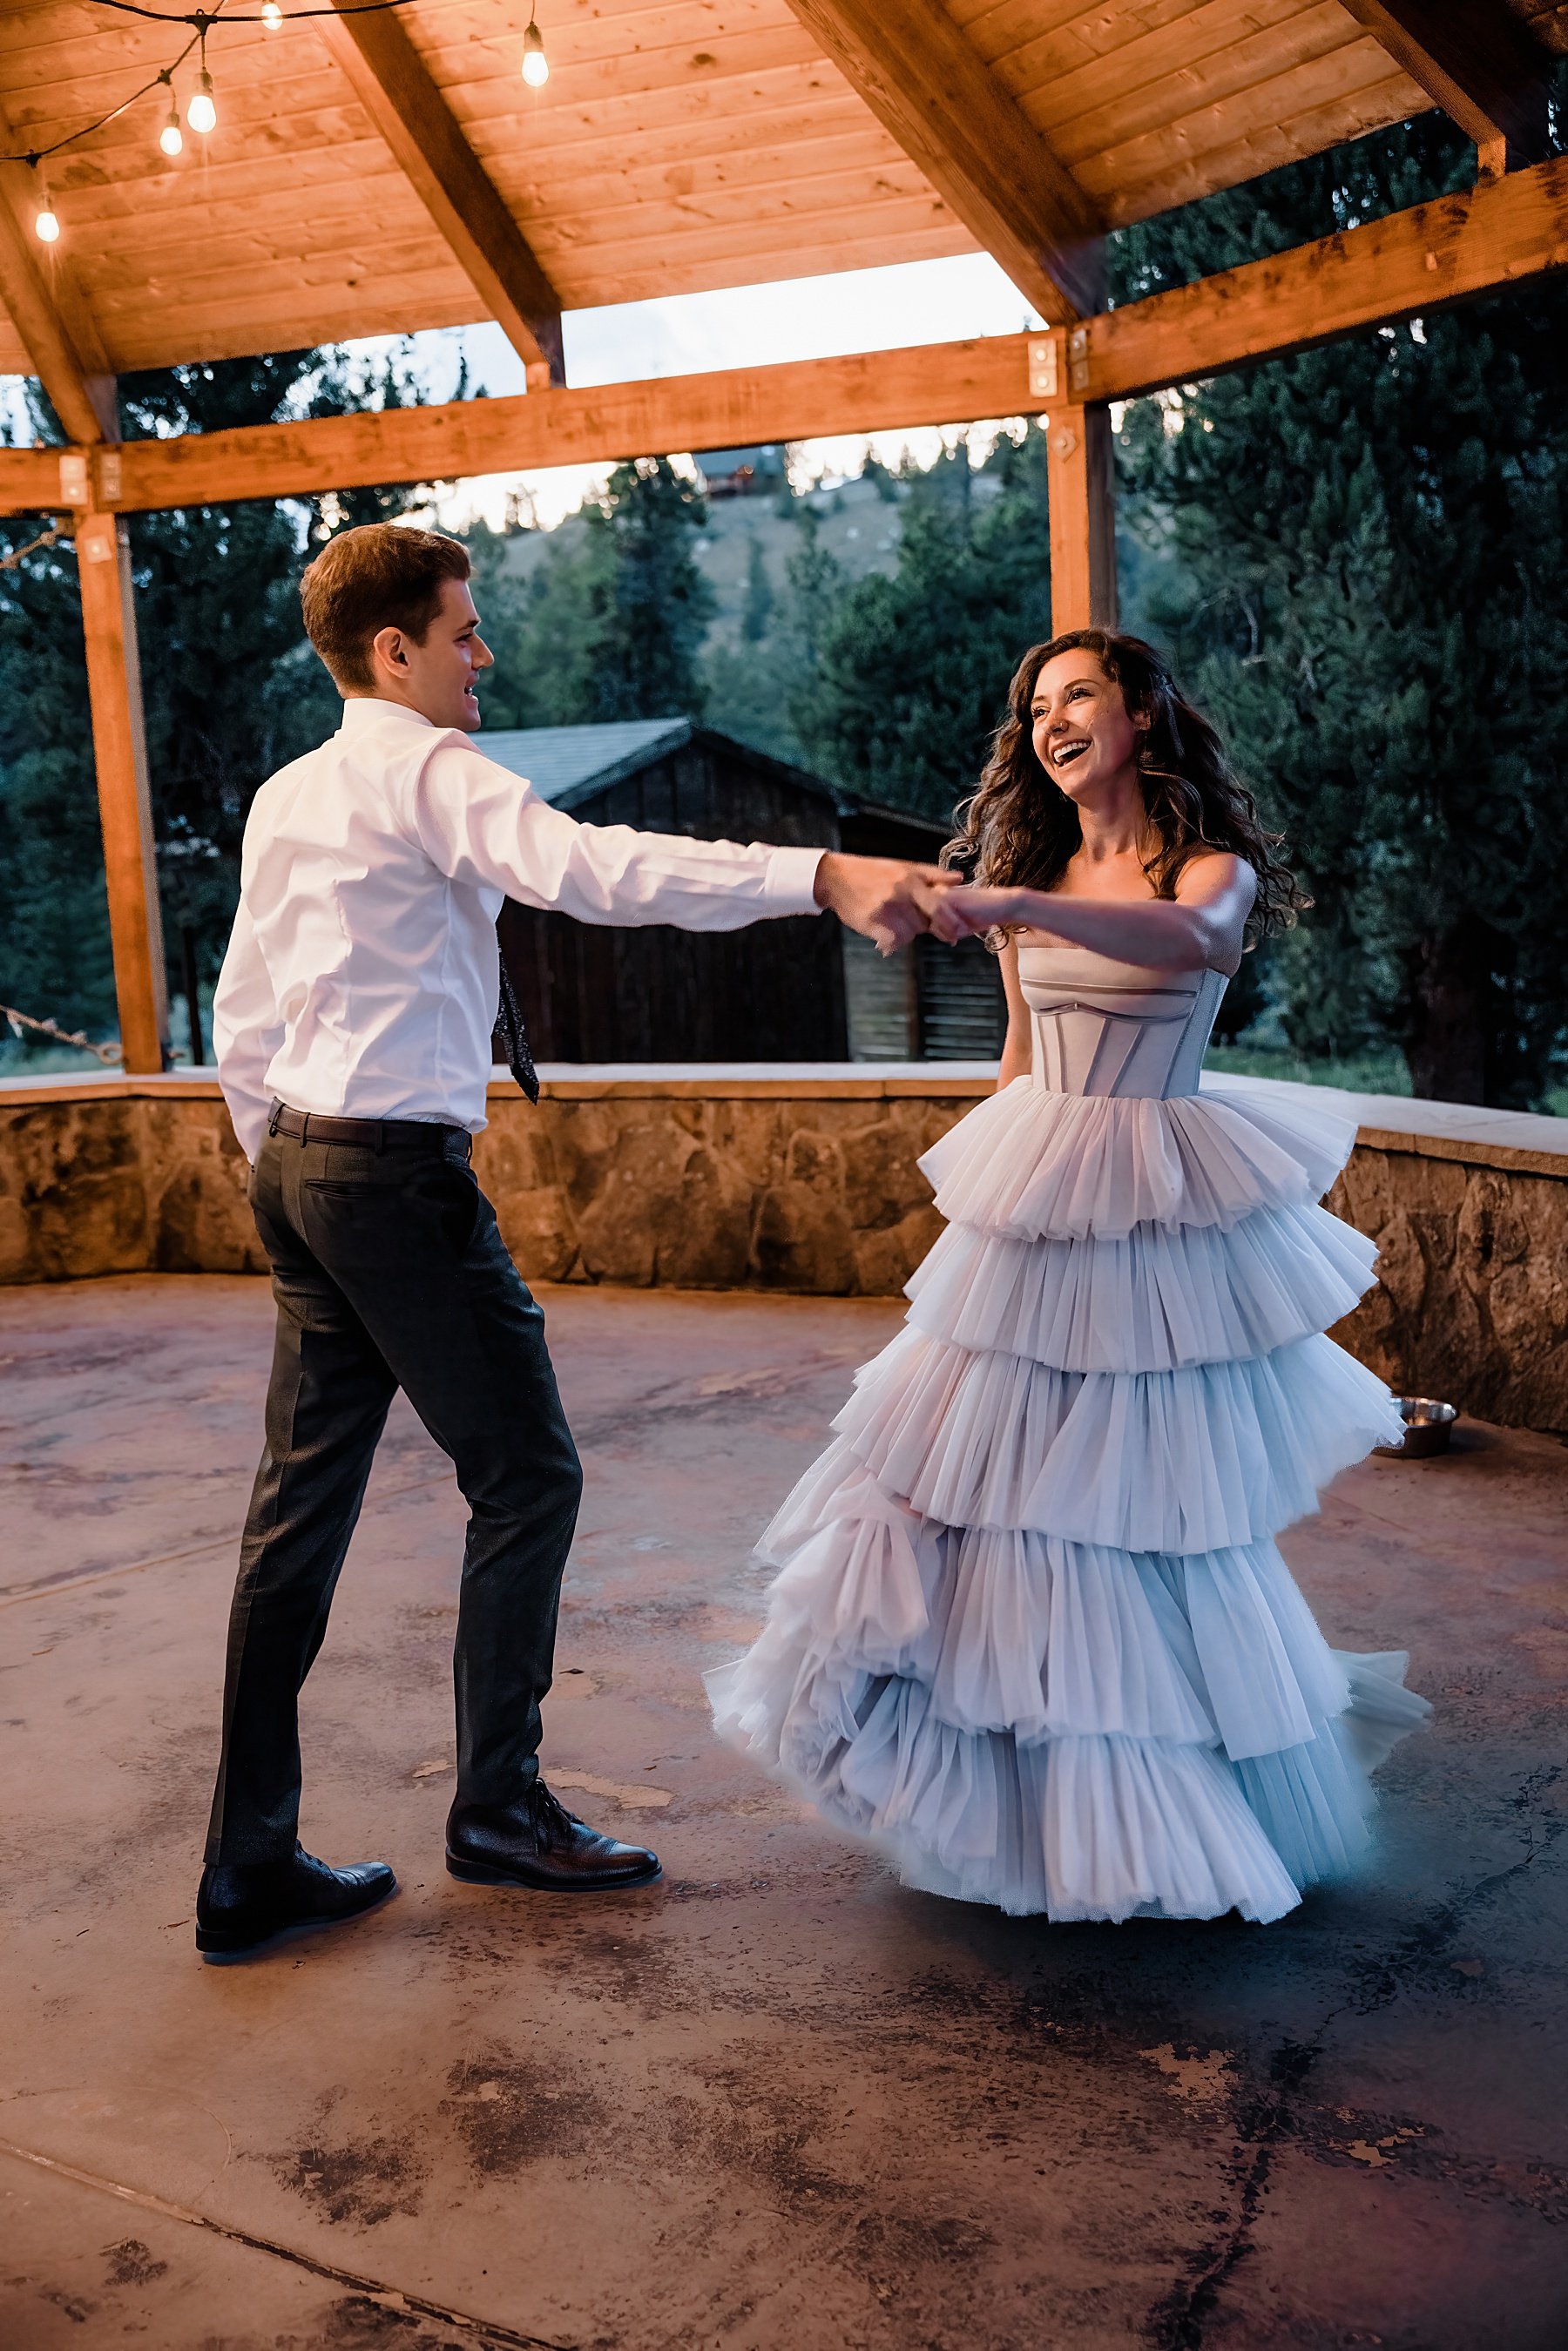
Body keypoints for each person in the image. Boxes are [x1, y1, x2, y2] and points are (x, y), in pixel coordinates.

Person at [198, 522, 958, 1963]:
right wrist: (820, 876)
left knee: (293, 1521)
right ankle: (496, 1810)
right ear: (394, 651)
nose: (487, 653)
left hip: (302, 1164)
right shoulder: (427, 770)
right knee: (529, 1474)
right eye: (466, 630)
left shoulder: (289, 793)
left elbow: (243, 1009)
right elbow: (594, 868)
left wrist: (285, 1168)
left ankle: (244, 1865)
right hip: (386, 1178)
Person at [709, 630, 1430, 1923]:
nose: (1052, 722)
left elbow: (1189, 943)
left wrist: (1020, 907)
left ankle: (1148, 1808)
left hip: (1154, 1211)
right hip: (1039, 1195)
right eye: (1037, 707)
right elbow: (1018, 1061)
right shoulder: (1026, 862)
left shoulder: (1206, 865)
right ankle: (995, 1799)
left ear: (1143, 718)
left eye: (1079, 696)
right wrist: (977, 1213)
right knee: (965, 1489)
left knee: (1132, 1507)